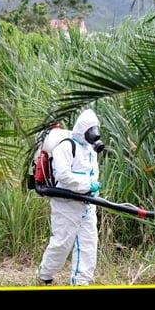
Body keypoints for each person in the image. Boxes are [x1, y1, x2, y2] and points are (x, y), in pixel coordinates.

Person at [37, 109, 102, 286]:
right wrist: (87, 186)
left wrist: (93, 188)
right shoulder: (66, 146)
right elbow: (63, 176)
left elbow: (92, 173)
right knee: (61, 244)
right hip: (65, 205)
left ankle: (81, 281)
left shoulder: (91, 150)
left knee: (88, 244)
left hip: (87, 205)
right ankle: (45, 275)